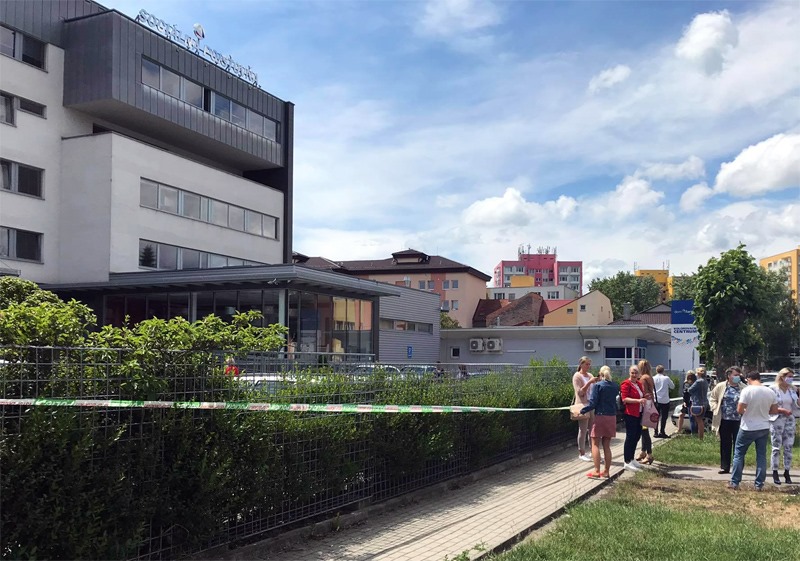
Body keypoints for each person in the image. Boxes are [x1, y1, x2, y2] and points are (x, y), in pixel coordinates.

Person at [728, 372, 779, 491]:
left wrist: (748, 411)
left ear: (748, 379)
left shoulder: (747, 390)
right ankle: (759, 484)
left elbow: (740, 409)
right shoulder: (770, 391)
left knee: (739, 454)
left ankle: (735, 482)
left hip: (748, 426)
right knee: (761, 455)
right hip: (763, 426)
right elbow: (774, 410)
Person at [580, 366, 619, 479]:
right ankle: (606, 471)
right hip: (612, 416)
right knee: (607, 445)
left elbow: (593, 403)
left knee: (595, 443)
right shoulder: (615, 386)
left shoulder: (598, 385)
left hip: (600, 416)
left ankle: (597, 471)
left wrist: (583, 410)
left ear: (600, 374)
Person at [709, 366, 745, 474]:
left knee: (739, 444)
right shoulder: (720, 386)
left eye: (739, 375)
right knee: (725, 443)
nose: (737, 377)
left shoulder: (743, 387)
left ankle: (738, 467)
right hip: (724, 419)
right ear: (729, 376)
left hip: (739, 420)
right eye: (735, 375)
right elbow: (712, 398)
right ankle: (725, 466)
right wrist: (715, 408)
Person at [769, 367, 800, 485]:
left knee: (788, 446)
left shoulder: (792, 390)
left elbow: (796, 405)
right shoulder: (773, 389)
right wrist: (781, 410)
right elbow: (770, 406)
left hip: (790, 419)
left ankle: (787, 471)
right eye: (789, 376)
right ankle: (775, 471)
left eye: (792, 377)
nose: (791, 379)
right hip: (777, 419)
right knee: (776, 447)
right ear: (782, 377)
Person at [620, 364, 647, 471]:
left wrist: (645, 397)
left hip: (639, 413)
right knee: (630, 437)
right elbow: (624, 399)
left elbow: (641, 395)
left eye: (636, 373)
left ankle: (631, 458)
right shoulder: (626, 384)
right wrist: (638, 401)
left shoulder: (639, 384)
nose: (634, 375)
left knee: (637, 436)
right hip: (630, 413)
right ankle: (627, 461)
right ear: (629, 373)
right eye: (632, 373)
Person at [573, 356, 598, 462]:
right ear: (581, 364)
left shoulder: (590, 375)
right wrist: (589, 383)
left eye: (589, 364)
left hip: (591, 405)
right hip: (582, 405)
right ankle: (581, 452)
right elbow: (580, 392)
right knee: (583, 429)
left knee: (592, 429)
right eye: (586, 364)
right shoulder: (577, 376)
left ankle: (593, 451)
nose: (588, 366)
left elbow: (594, 389)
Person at [636, 360, 656, 464]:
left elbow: (642, 392)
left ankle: (649, 454)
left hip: (644, 407)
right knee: (644, 429)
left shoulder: (643, 379)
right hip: (650, 404)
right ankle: (643, 452)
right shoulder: (650, 377)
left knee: (644, 431)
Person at [652, 364, 674, 438]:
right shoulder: (666, 378)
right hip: (665, 400)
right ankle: (662, 431)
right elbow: (672, 386)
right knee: (664, 417)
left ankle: (655, 432)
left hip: (656, 400)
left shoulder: (653, 378)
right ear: (663, 371)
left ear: (656, 370)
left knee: (655, 417)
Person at [688, 367, 710, 439]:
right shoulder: (705, 381)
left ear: (699, 374)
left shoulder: (698, 381)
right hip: (704, 402)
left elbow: (690, 390)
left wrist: (689, 383)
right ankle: (700, 436)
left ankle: (700, 437)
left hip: (698, 403)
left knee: (699, 420)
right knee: (700, 419)